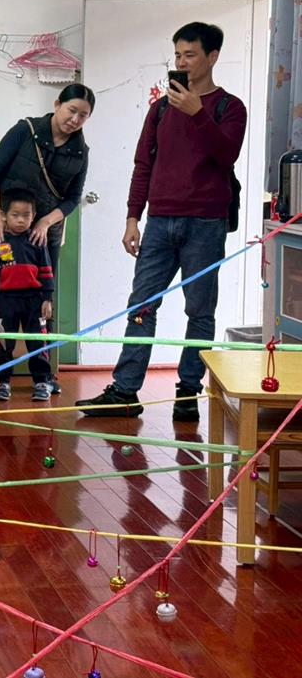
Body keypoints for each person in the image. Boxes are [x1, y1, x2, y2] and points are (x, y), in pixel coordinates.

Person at [75, 22, 247, 421]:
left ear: (212, 57)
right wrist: (132, 217)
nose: (182, 63)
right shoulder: (161, 108)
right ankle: (124, 391)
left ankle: (188, 391)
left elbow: (227, 155)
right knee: (141, 305)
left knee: (199, 311)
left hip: (206, 223)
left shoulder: (229, 107)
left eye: (190, 55)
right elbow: (143, 165)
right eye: (178, 55)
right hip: (159, 221)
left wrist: (198, 113)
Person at [0, 83, 95, 394]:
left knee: (43, 302)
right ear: (57, 104)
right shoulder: (24, 131)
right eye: (71, 110)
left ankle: (44, 374)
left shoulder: (80, 152)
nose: (75, 119)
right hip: (3, 228)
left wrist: (46, 221)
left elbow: (72, 198)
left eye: (83, 115)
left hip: (43, 235)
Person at [0, 188, 55, 401]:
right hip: (6, 301)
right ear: (4, 216)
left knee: (37, 343)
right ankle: (3, 382)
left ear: (34, 216)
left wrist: (47, 298)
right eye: (15, 215)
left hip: (34, 301)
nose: (21, 220)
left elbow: (46, 271)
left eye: (26, 215)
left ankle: (42, 381)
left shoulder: (37, 240)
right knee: (5, 344)